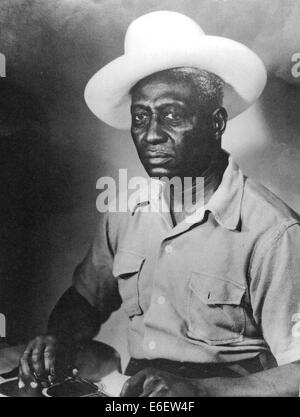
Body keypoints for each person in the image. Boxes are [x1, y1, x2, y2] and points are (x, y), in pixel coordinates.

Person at [19, 11, 300, 396]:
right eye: (140, 116)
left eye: (171, 114)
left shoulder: (273, 232)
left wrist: (203, 392)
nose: (151, 135)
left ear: (216, 122)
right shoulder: (126, 210)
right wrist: (59, 339)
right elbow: (84, 300)